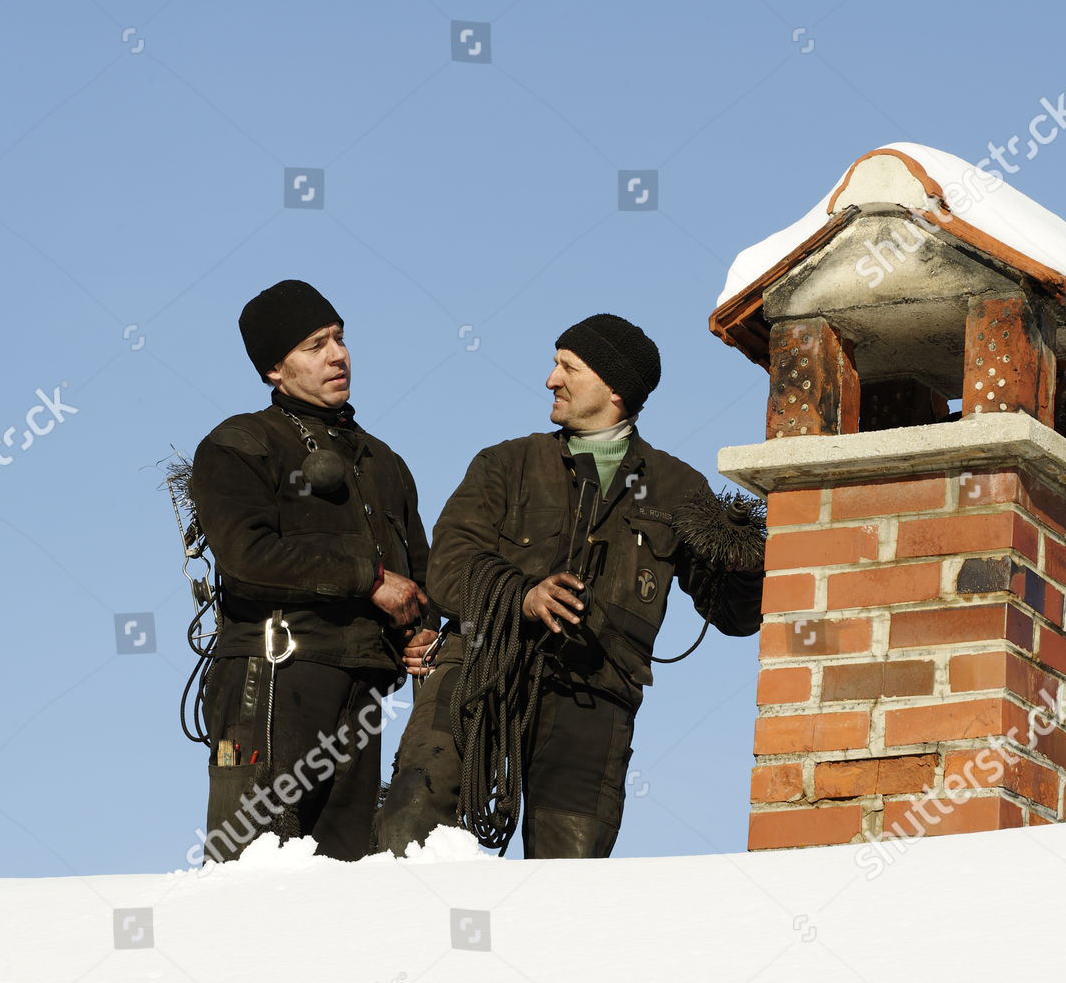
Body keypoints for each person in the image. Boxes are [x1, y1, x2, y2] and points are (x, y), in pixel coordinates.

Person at [373, 313, 763, 859]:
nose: (551, 379)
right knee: (411, 831)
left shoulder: (679, 489)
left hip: (594, 695)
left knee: (569, 874)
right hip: (475, 669)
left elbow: (735, 616)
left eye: (567, 367)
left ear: (615, 391)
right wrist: (521, 596)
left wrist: (746, 558)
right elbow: (447, 568)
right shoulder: (506, 463)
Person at [188, 278, 435, 863]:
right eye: (314, 345)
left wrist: (421, 626)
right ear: (274, 368)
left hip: (363, 686)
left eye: (340, 338)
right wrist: (370, 581)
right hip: (274, 677)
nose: (337, 355)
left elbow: (418, 571)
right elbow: (247, 559)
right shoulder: (240, 443)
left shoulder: (384, 461)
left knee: (344, 875)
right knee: (256, 870)